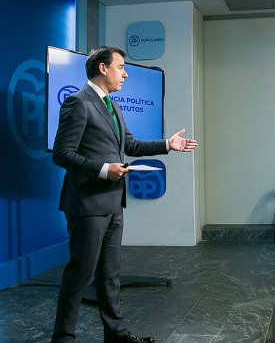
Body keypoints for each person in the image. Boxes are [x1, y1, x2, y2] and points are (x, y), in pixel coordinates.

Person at [51, 46, 198, 343]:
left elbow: (130, 145)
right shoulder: (77, 103)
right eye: (121, 67)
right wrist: (104, 170)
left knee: (109, 275)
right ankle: (62, 337)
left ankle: (116, 335)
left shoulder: (112, 105)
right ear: (103, 68)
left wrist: (168, 145)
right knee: (80, 274)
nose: (126, 73)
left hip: (114, 202)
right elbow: (62, 154)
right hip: (88, 204)